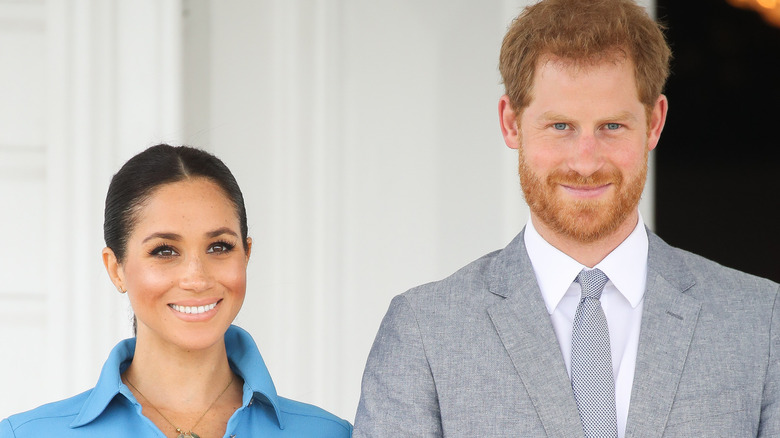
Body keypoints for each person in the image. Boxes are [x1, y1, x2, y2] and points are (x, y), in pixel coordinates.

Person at [354, 0, 779, 436]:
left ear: (654, 123)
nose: (585, 162)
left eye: (612, 126)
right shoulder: (425, 331)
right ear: (511, 123)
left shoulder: (761, 323)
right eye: (560, 126)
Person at [1, 145, 352, 437]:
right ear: (116, 269)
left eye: (219, 247)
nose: (196, 279)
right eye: (164, 251)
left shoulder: (332, 434)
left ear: (246, 254)